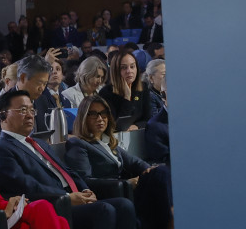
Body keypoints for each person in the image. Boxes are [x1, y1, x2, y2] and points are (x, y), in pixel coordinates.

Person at [0, 91, 136, 229]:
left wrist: (85, 189)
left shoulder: (40, 143)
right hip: (54, 205)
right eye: (23, 110)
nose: (30, 115)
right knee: (105, 210)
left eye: (32, 110)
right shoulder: (0, 150)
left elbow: (66, 171)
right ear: (3, 116)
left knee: (124, 205)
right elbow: (26, 186)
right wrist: (66, 197)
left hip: (73, 197)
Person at [65, 96, 173, 229]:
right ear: (83, 117)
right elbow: (84, 180)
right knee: (160, 175)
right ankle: (171, 221)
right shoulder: (78, 144)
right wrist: (126, 183)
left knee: (160, 171)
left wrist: (149, 169)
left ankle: (171, 219)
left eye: (104, 113)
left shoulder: (108, 141)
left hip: (127, 189)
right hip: (111, 191)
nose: (100, 118)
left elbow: (135, 163)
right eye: (93, 114)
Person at [99, 51, 151, 131]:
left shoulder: (143, 87)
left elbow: (149, 119)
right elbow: (116, 126)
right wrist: (127, 98)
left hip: (140, 135)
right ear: (115, 71)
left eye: (132, 66)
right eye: (123, 68)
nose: (129, 71)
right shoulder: (106, 93)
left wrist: (137, 126)